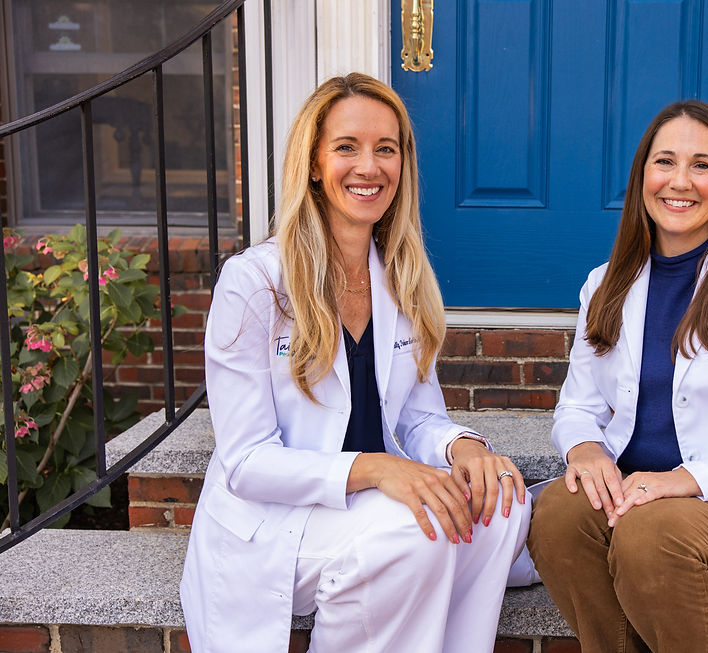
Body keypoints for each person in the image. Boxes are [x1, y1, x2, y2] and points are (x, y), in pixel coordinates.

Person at [180, 73, 530, 653]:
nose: (369, 167)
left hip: (367, 513)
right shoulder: (255, 282)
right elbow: (246, 463)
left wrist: (465, 448)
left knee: (502, 508)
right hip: (278, 524)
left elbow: (417, 418)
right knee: (418, 530)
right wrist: (372, 469)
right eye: (347, 147)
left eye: (385, 149)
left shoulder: (401, 275)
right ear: (314, 163)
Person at [527, 100, 708, 652]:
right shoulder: (605, 283)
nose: (680, 181)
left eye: (702, 165)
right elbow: (578, 406)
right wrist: (585, 449)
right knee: (559, 515)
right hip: (635, 499)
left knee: (650, 534)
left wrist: (680, 481)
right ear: (643, 177)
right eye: (665, 162)